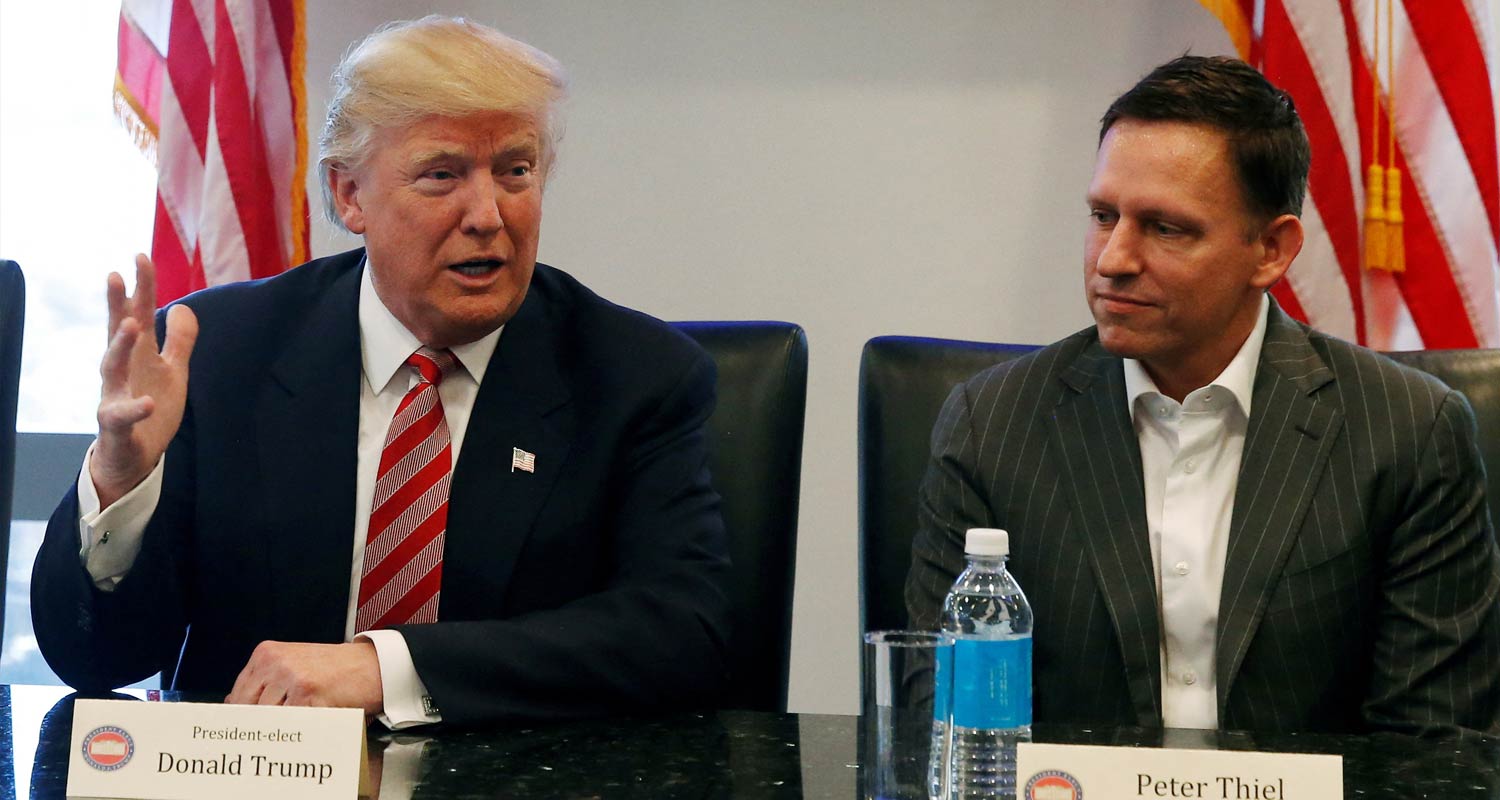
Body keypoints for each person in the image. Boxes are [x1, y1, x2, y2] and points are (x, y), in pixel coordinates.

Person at [32, 16, 731, 727]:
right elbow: (98, 661)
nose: (488, 215)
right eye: (442, 175)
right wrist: (121, 485)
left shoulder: (634, 375)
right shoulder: (219, 356)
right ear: (349, 196)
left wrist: (386, 668)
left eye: (515, 171)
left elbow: (683, 632)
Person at [906, 55, 1500, 736]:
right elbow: (948, 726)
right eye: (1104, 215)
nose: (1113, 259)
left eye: (1166, 228)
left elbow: (1431, 751)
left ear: (1271, 250)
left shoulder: (1408, 433)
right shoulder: (993, 426)